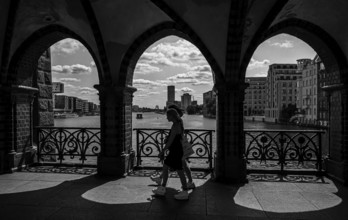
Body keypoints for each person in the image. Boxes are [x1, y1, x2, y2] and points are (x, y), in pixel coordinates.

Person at [150, 105, 195, 190]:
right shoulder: (179, 122)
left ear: (171, 116)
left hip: (176, 149)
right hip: (179, 148)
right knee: (176, 166)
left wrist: (163, 151)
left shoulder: (175, 125)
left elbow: (170, 141)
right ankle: (163, 184)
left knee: (178, 168)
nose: (166, 118)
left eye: (167, 116)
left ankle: (183, 189)